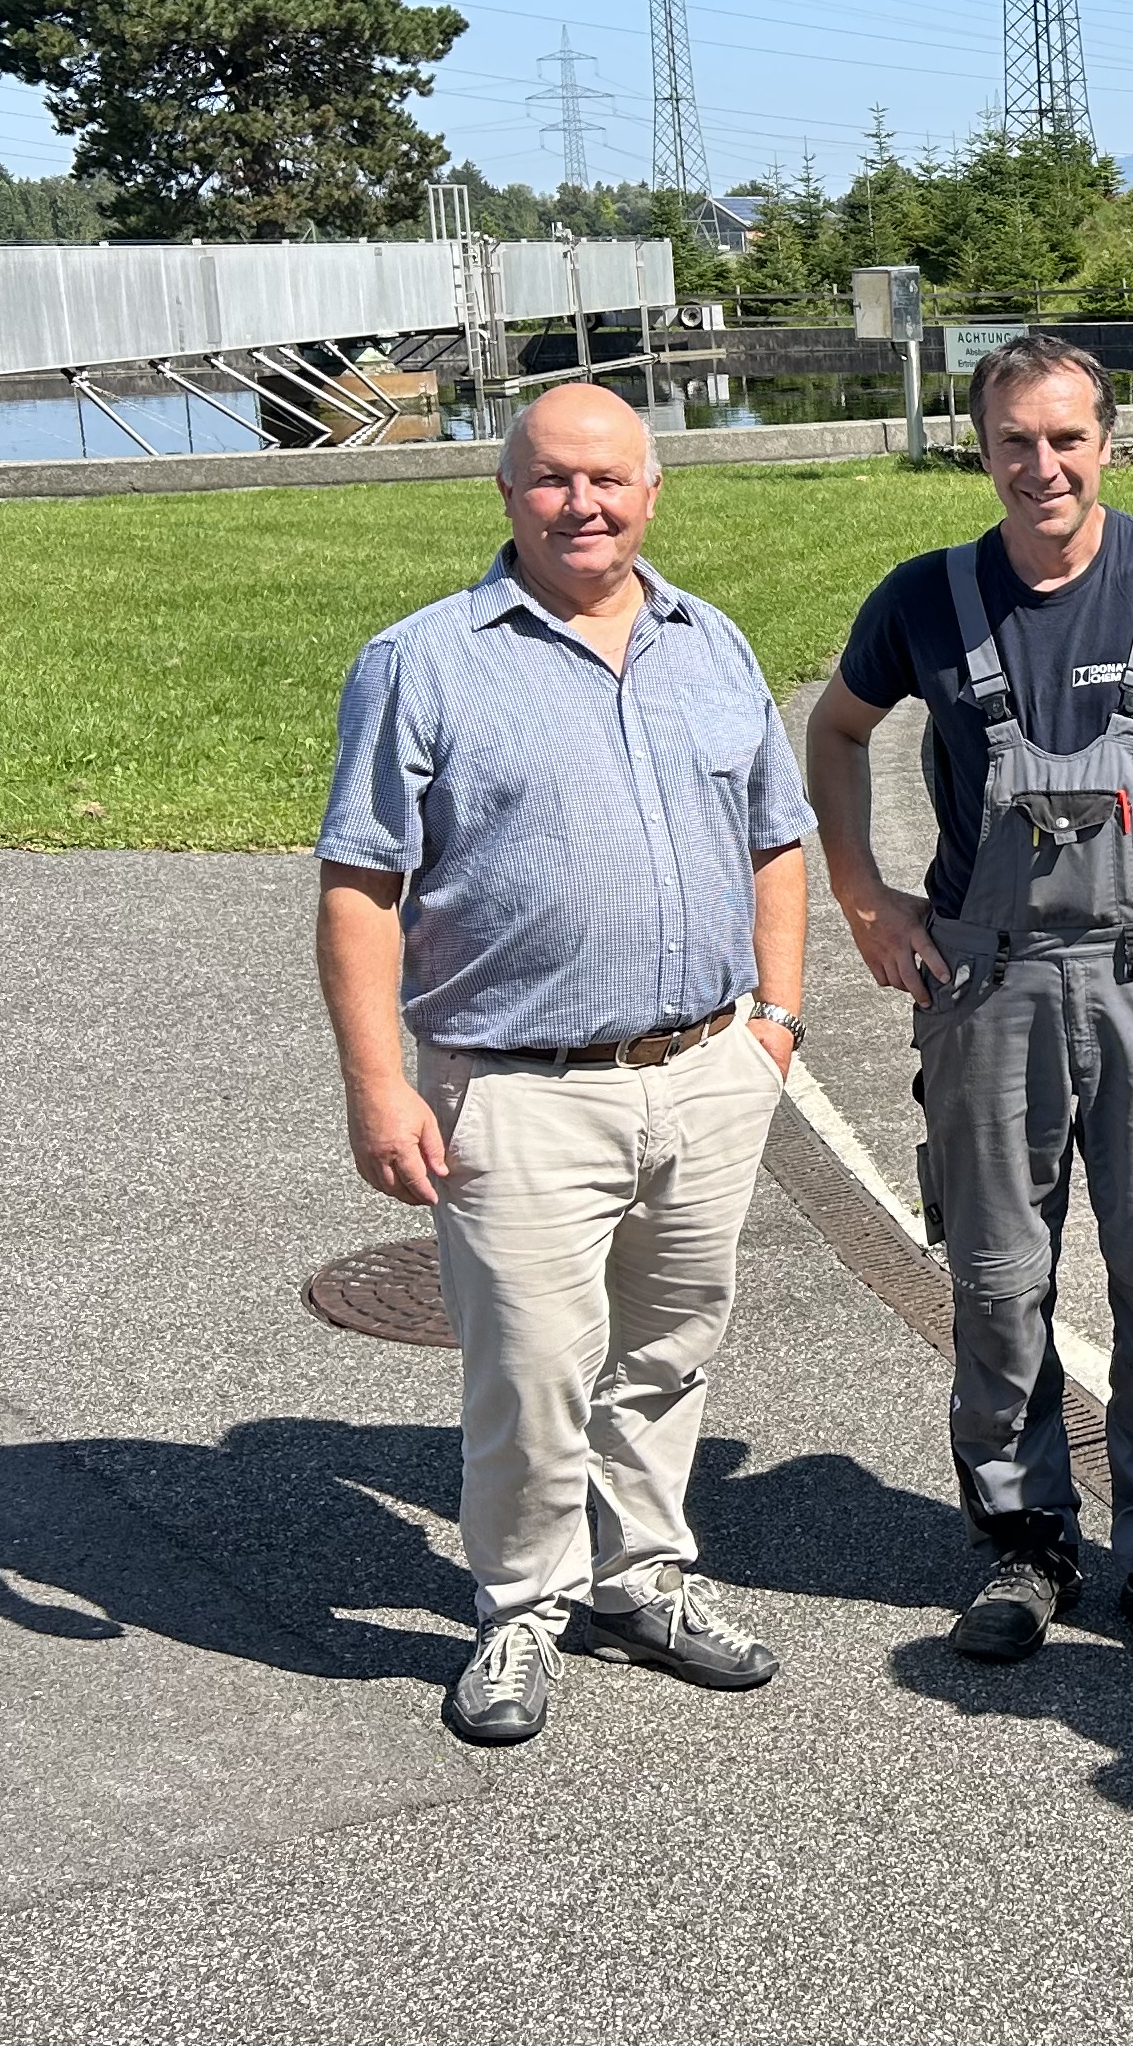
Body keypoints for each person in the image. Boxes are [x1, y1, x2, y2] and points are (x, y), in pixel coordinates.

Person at [808, 333, 1133, 1681]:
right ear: (980, 452)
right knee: (997, 1278)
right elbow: (836, 731)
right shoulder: (925, 600)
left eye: (1065, 439)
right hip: (985, 985)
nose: (1041, 466)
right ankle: (1027, 1538)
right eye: (1012, 444)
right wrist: (865, 895)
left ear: (1108, 442)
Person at [317, 381, 815, 1750]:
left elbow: (778, 842)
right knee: (532, 1371)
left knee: (667, 1349)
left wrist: (775, 1023)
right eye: (552, 480)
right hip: (517, 1084)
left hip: (709, 1070)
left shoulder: (712, 644)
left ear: (653, 491)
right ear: (507, 493)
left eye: (608, 480)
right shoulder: (422, 662)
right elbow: (360, 887)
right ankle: (522, 1604)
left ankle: (642, 1576)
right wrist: (378, 1082)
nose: (582, 505)